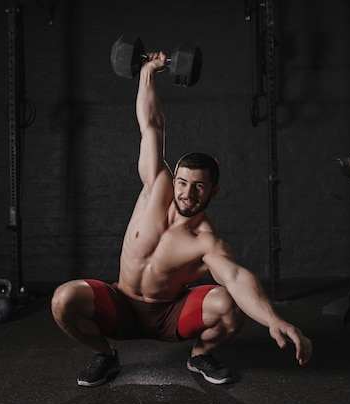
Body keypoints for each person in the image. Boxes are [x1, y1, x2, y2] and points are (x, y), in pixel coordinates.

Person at [51, 51, 313, 387]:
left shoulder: (207, 240)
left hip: (168, 316)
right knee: (63, 298)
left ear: (213, 192)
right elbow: (152, 125)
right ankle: (104, 355)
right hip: (120, 305)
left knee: (227, 305)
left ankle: (200, 355)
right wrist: (148, 71)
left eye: (199, 186)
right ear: (173, 179)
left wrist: (274, 321)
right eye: (183, 182)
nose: (188, 193)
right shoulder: (154, 187)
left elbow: (234, 276)